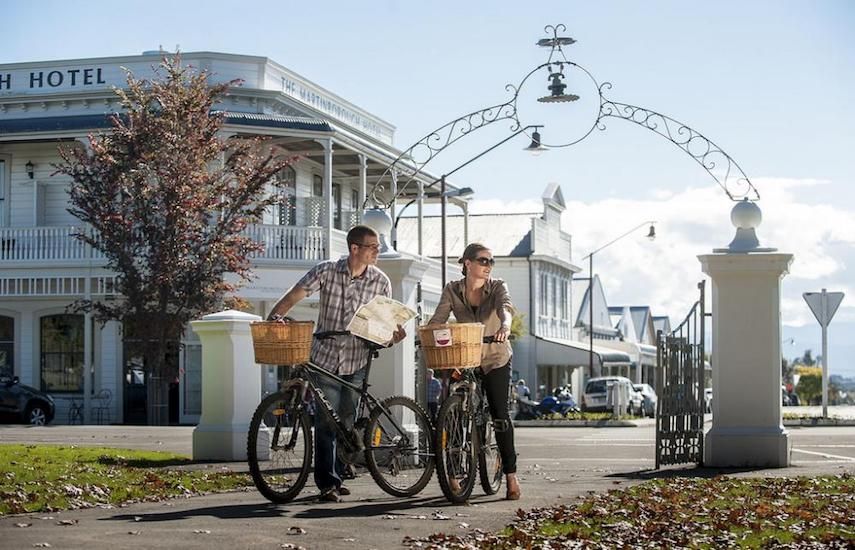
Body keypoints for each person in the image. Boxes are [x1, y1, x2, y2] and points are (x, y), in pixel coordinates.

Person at [267, 225, 406, 503]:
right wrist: (275, 315)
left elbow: (386, 317)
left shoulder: (380, 281)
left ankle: (341, 472)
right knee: (326, 422)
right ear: (355, 248)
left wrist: (394, 332)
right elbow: (298, 292)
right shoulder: (327, 270)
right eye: (373, 246)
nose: (378, 251)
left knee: (345, 419)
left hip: (357, 357)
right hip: (326, 355)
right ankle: (327, 484)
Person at [428, 242, 521, 501]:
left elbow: (506, 308)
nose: (488, 266)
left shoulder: (497, 287)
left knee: (500, 414)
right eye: (483, 261)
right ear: (467, 263)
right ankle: (455, 472)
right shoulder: (452, 290)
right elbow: (439, 319)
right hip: (467, 358)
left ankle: (511, 476)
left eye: (491, 261)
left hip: (495, 358)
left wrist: (504, 326)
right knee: (457, 412)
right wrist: (427, 333)